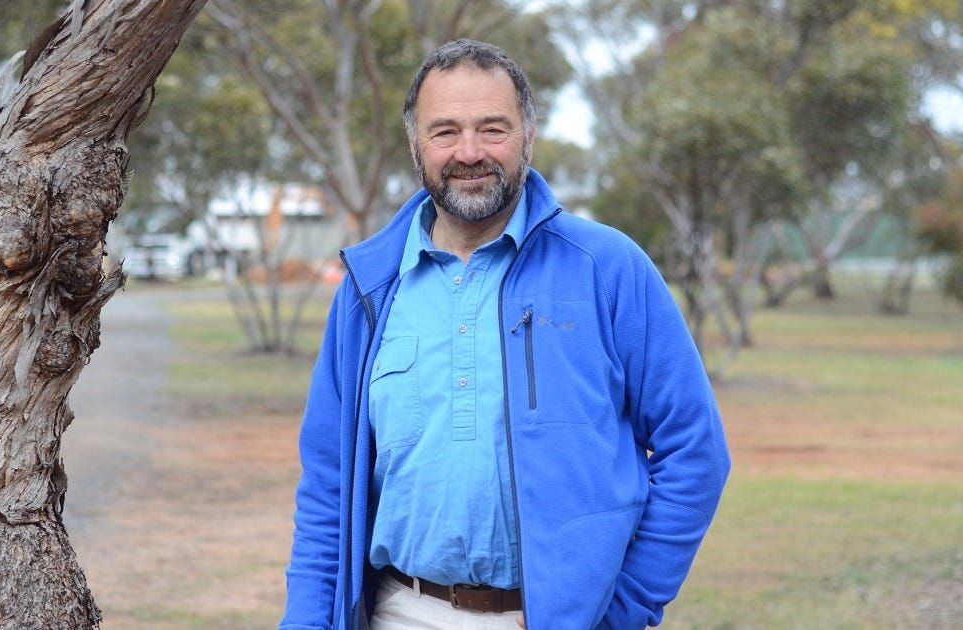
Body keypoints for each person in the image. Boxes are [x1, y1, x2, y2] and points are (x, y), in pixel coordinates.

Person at [279, 38, 731, 630]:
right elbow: (328, 486)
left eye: (493, 128)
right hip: (395, 612)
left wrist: (622, 609)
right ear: (416, 146)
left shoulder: (607, 268)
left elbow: (694, 451)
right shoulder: (369, 288)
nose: (469, 152)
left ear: (528, 137)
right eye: (445, 132)